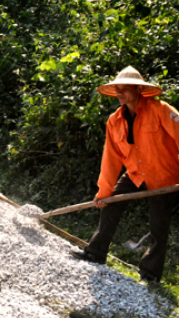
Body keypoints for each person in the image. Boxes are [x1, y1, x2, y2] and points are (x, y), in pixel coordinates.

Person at [70, 66, 179, 283]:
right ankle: (95, 253)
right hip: (135, 173)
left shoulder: (161, 110)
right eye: (117, 89)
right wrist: (104, 191)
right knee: (110, 205)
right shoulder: (114, 120)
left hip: (163, 175)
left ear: (138, 89)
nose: (120, 93)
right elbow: (111, 158)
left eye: (125, 88)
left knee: (158, 227)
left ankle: (150, 274)